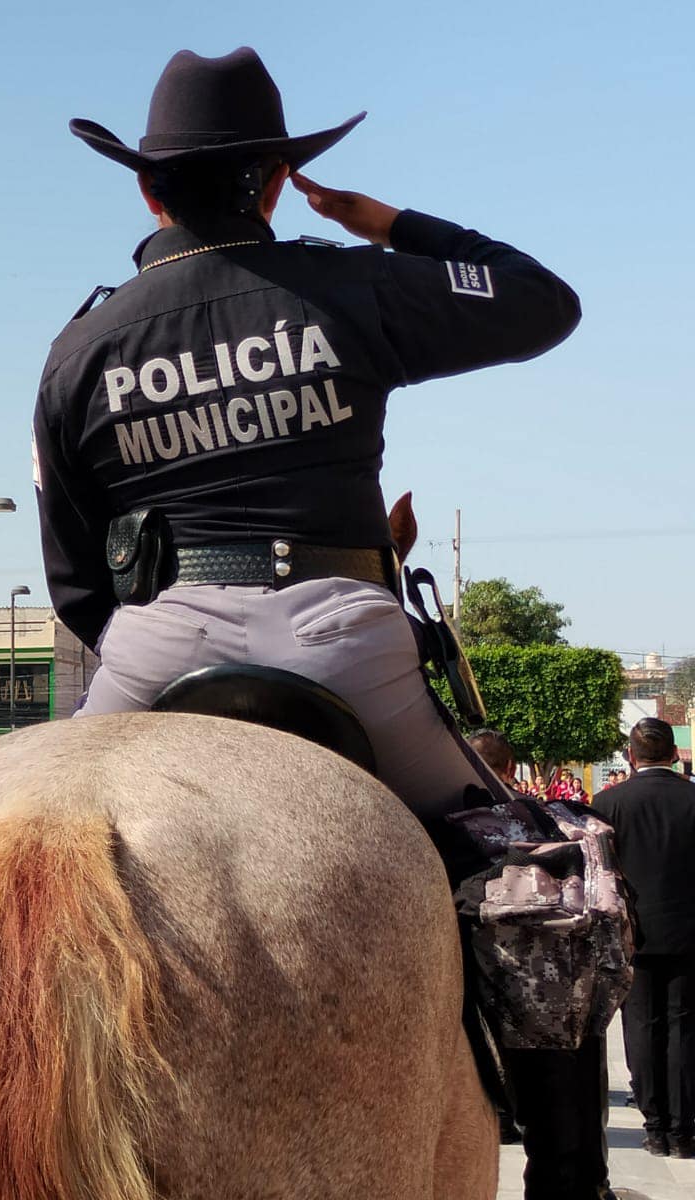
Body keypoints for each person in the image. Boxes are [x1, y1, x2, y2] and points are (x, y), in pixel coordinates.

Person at [34, 47, 581, 823]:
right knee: (516, 871)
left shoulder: (80, 350)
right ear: (280, 180)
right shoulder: (354, 285)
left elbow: (76, 578)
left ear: (147, 186)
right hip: (346, 645)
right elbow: (543, 301)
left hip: (160, 650)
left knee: (37, 855)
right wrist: (390, 226)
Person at [467, 729, 616, 1200]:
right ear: (511, 769)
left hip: (498, 1000)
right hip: (573, 994)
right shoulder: (562, 819)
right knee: (570, 1125)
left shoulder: (460, 826)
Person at [592, 717, 695, 1158]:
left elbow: (599, 873)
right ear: (674, 754)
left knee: (641, 1026)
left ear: (630, 757)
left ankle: (655, 1127)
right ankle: (683, 1128)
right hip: (690, 931)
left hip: (633, 932)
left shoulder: (607, 803)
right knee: (684, 1026)